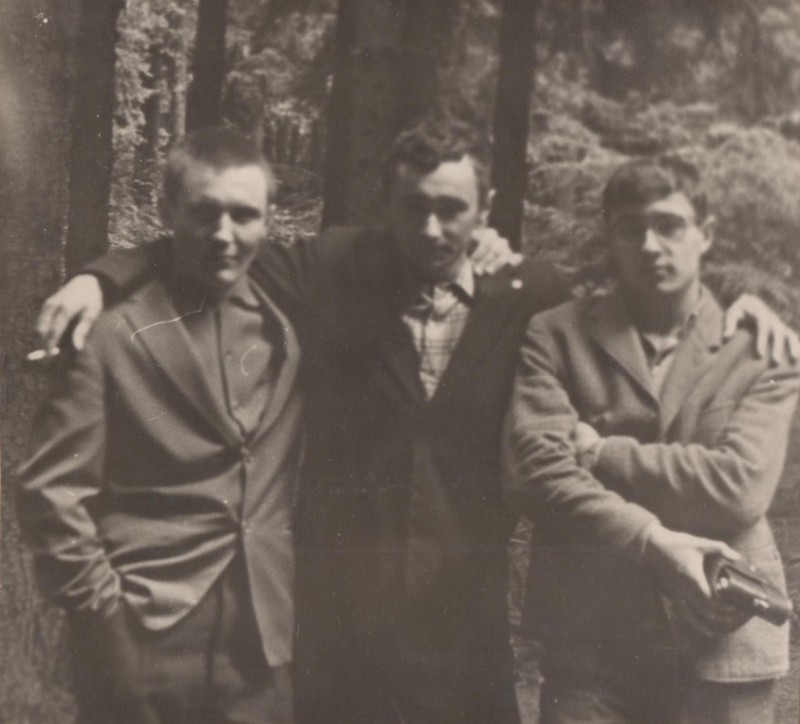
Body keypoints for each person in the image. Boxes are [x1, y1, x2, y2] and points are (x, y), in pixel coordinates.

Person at [32, 129, 798, 723]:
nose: (432, 228)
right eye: (414, 208)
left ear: (484, 211)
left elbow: (640, 289)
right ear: (386, 208)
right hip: (337, 620)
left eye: (453, 209)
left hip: (466, 622)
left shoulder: (528, 293)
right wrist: (100, 277)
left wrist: (741, 310)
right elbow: (211, 241)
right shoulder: (333, 269)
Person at [18, 129, 303, 723]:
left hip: (260, 642)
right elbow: (52, 492)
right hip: (144, 630)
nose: (223, 234)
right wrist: (105, 622)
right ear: (168, 212)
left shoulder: (290, 322)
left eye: (244, 215)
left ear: (270, 219)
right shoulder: (108, 330)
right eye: (203, 212)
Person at [504, 156, 800, 724]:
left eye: (669, 225)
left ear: (704, 234)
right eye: (630, 228)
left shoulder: (763, 349)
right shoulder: (557, 334)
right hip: (591, 636)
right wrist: (651, 537)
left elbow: (740, 488)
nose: (649, 244)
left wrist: (600, 452)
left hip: (721, 632)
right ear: (609, 237)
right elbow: (535, 473)